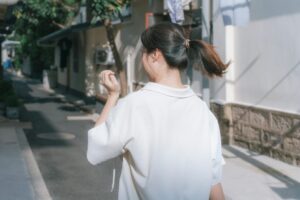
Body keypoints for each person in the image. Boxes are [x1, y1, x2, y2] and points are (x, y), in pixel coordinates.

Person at [87, 23, 229, 200]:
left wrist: (112, 96)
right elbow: (214, 181)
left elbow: (96, 147)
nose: (142, 60)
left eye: (143, 53)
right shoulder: (203, 112)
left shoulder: (133, 105)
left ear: (155, 55)